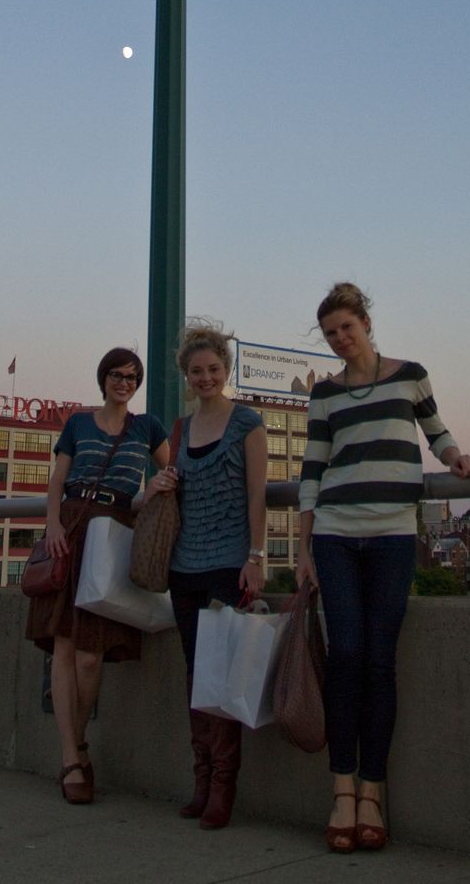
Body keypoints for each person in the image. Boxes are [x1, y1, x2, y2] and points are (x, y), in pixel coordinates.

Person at [295, 283, 470, 853]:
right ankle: (342, 790)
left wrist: (455, 457)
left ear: (367, 324)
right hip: (335, 534)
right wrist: (303, 548)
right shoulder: (324, 394)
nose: (339, 339)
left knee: (379, 660)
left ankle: (372, 790)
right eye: (330, 334)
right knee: (345, 654)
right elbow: (312, 469)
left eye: (346, 328)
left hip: (394, 534)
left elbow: (435, 431)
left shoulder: (409, 375)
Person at [28, 347, 169, 804]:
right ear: (103, 379)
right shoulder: (78, 424)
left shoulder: (147, 427)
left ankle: (79, 742)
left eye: (131, 377)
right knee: (64, 647)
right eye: (116, 375)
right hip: (72, 528)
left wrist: (152, 491)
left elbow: (172, 471)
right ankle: (71, 756)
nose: (123, 383)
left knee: (90, 656)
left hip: (113, 532)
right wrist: (53, 524)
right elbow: (58, 478)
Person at [144, 320, 268, 829]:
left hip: (227, 565)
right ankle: (201, 780)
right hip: (183, 567)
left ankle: (222, 787)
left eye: (214, 369)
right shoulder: (180, 429)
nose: (205, 377)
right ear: (186, 376)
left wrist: (256, 557)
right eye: (196, 371)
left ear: (226, 369)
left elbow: (258, 494)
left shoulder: (247, 423)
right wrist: (161, 483)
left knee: (221, 676)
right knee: (196, 675)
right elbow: (173, 494)